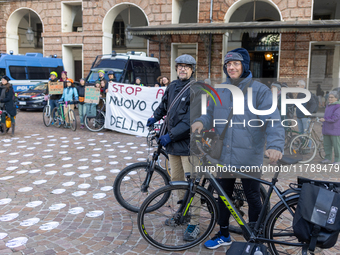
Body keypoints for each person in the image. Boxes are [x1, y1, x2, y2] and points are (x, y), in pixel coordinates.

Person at [191, 48, 284, 249]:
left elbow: (273, 120)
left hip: (249, 154)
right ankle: (224, 234)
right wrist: (201, 121)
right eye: (228, 64)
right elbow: (210, 113)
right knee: (223, 196)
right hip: (224, 154)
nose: (231, 67)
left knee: (253, 197)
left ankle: (256, 238)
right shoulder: (221, 89)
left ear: (244, 66)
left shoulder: (259, 91)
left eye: (235, 63)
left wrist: (275, 145)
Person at [146, 54, 205, 242]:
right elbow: (164, 106)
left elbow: (190, 121)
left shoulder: (197, 88)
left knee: (192, 186)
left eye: (187, 67)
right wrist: (155, 117)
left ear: (192, 69)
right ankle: (183, 213)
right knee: (178, 182)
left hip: (190, 146)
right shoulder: (172, 86)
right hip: (173, 147)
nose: (182, 69)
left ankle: (194, 223)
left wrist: (169, 136)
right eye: (179, 66)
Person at [320, 91, 340, 164]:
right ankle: (328, 158)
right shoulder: (328, 105)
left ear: (336, 98)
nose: (330, 99)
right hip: (327, 128)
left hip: (335, 129)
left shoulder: (338, 106)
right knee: (327, 145)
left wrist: (325, 119)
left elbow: (336, 117)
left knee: (337, 146)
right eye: (329, 97)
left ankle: (338, 160)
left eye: (332, 97)